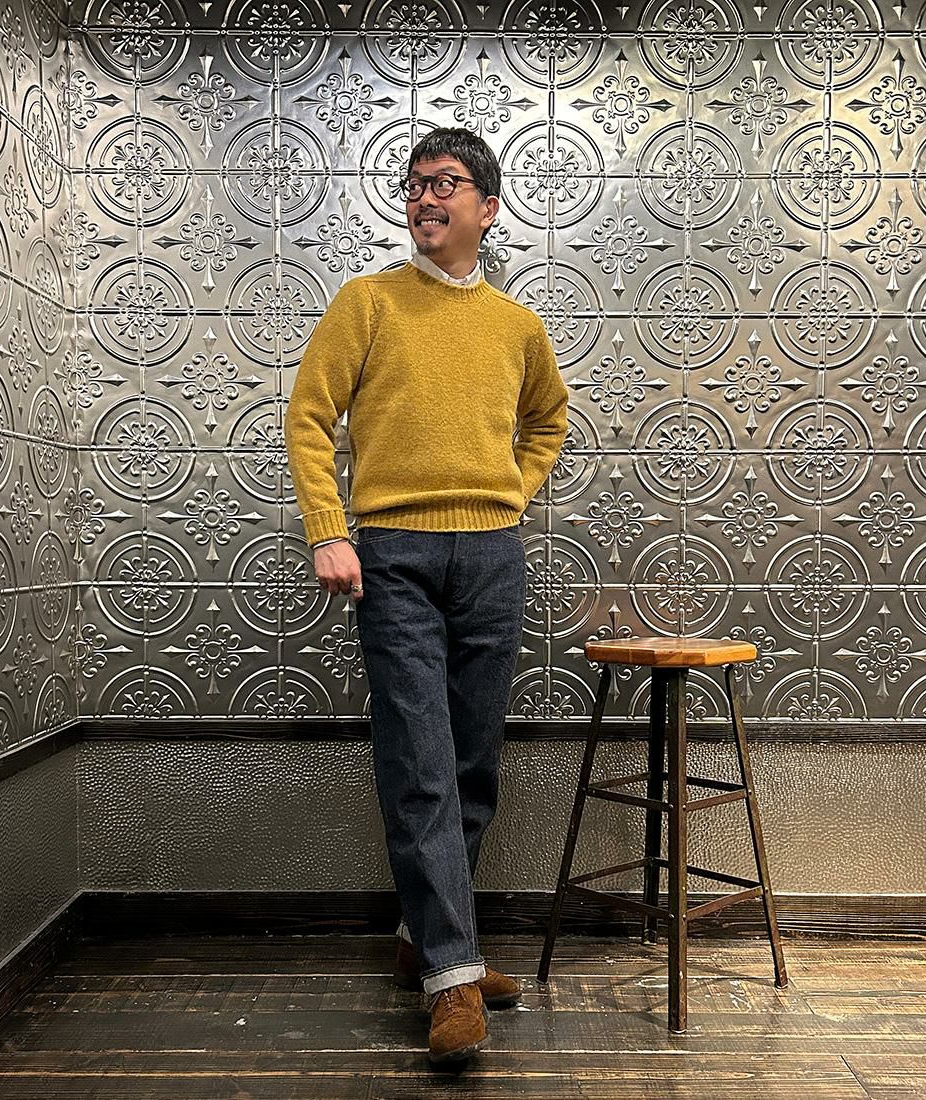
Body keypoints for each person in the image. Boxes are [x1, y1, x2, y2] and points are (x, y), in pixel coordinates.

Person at [284, 127, 568, 1068]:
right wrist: (329, 528)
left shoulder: (517, 326)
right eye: (413, 186)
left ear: (489, 207)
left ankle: (426, 939)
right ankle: (452, 979)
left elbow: (548, 422)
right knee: (420, 759)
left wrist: (512, 494)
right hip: (394, 555)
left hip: (492, 556)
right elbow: (308, 415)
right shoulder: (367, 302)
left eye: (445, 183)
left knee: (474, 764)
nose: (424, 198)